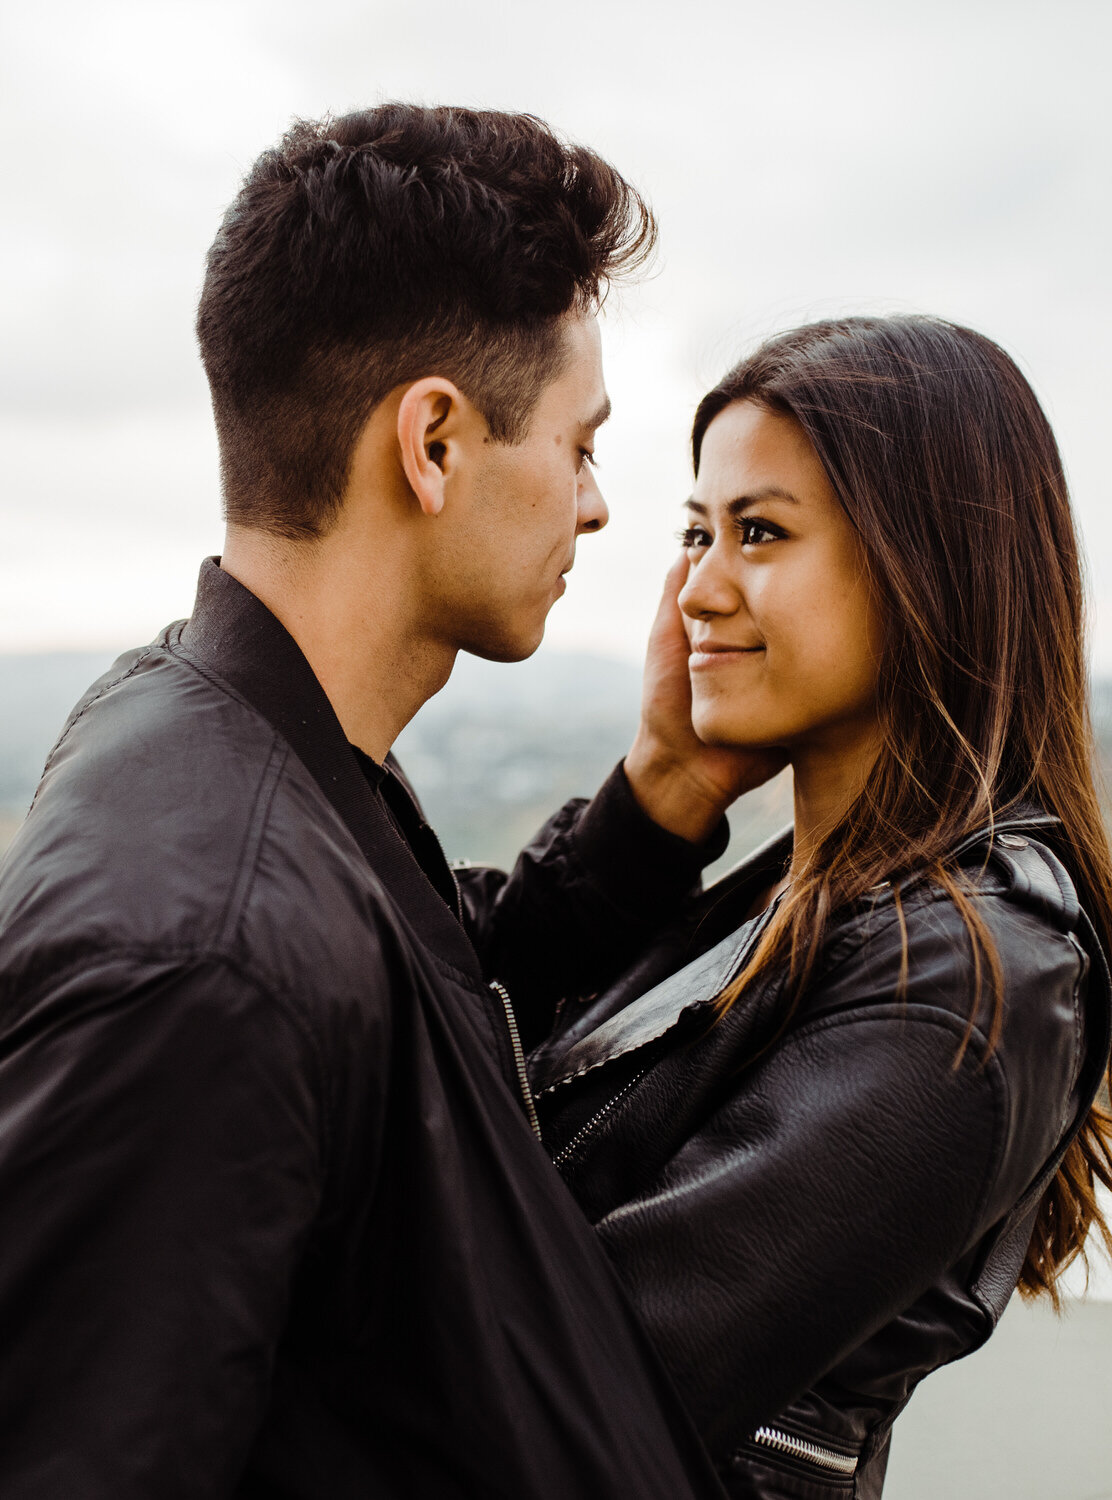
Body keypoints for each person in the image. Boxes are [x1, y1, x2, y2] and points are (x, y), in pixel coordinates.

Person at [0, 104, 731, 1500]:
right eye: (580, 447)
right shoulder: (205, 953)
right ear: (436, 444)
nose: (595, 506)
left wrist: (669, 794)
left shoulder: (256, 750)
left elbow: (408, 1001)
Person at [529, 316, 1112, 1499]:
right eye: (696, 533)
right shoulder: (809, 896)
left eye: (759, 534)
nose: (698, 591)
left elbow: (574, 1395)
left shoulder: (976, 972)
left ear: (927, 565)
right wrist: (665, 785)